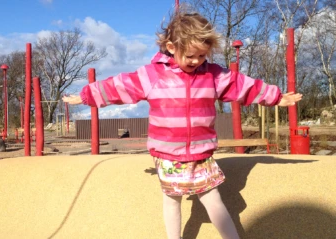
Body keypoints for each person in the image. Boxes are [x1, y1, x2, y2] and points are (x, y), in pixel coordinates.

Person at [62, 6, 302, 239]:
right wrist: (85, 96)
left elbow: (242, 86)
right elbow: (118, 86)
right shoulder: (152, 76)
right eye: (190, 55)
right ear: (171, 47)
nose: (197, 61)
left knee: (212, 198)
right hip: (168, 153)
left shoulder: (212, 75)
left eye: (202, 55)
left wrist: (276, 97)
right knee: (171, 198)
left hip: (200, 153)